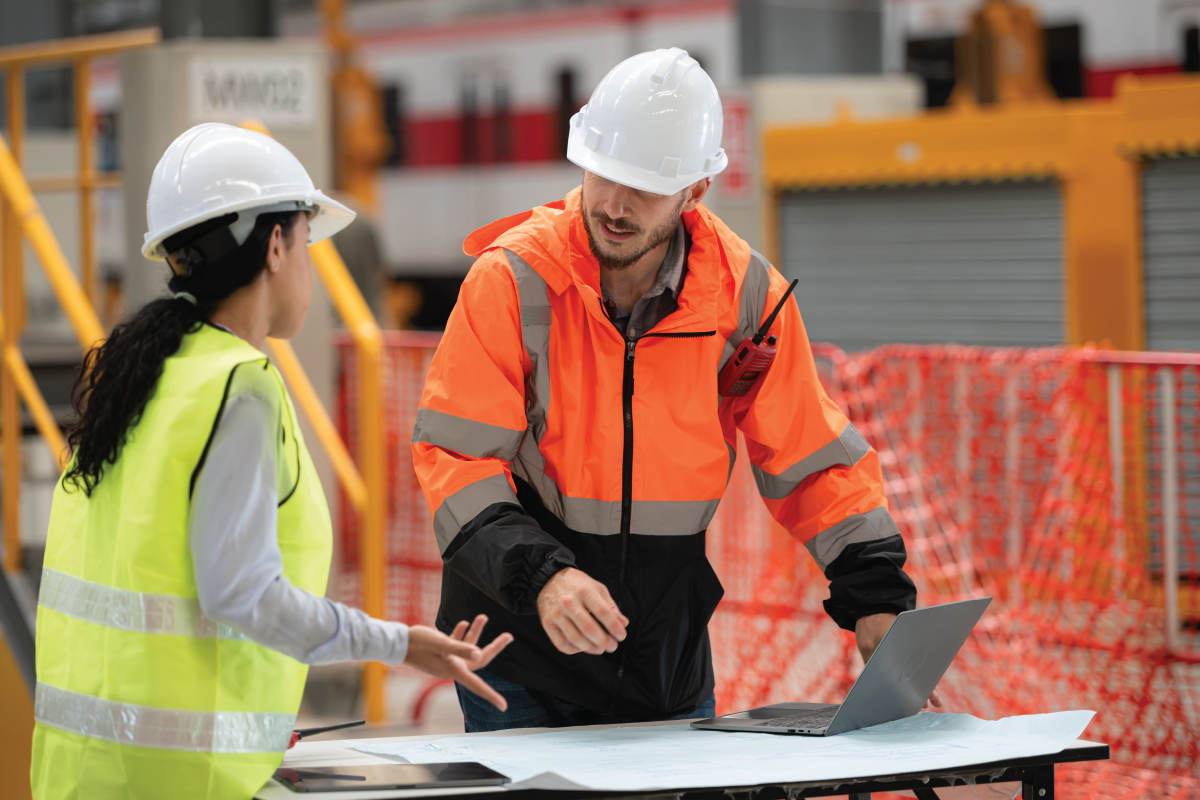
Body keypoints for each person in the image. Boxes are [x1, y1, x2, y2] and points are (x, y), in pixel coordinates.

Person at [412, 48, 932, 732]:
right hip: (521, 649)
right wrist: (544, 577)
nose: (615, 205)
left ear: (695, 193)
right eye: (604, 175)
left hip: (665, 656)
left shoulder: (748, 297)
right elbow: (457, 460)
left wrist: (876, 598)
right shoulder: (512, 280)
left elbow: (810, 454)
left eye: (646, 187)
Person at [29, 123, 513, 800]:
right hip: (184, 780)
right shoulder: (239, 386)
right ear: (277, 245)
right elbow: (244, 596)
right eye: (309, 245)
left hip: (82, 771)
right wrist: (398, 642)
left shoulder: (140, 374)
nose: (312, 268)